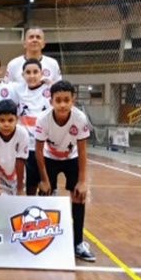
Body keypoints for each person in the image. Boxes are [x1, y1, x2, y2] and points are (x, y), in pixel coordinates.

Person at [34, 80, 96, 262]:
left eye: (66, 100)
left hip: (72, 158)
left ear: (73, 101)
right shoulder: (43, 119)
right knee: (45, 194)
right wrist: (44, 179)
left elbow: (83, 150)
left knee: (78, 195)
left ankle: (78, 243)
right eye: (58, 100)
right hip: (49, 157)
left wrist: (83, 181)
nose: (62, 104)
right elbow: (38, 151)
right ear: (51, 101)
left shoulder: (80, 118)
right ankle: (44, 239)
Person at [11, 58, 52, 195]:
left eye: (35, 72)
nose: (32, 75)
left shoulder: (50, 89)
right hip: (27, 147)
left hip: (46, 148)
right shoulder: (17, 90)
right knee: (30, 187)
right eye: (28, 72)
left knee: (48, 187)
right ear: (22, 75)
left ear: (42, 73)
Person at [0, 99, 29, 196]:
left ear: (17, 119)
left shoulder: (23, 134)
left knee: (18, 201)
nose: (6, 124)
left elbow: (20, 161)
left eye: (10, 120)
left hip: (17, 174)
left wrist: (20, 188)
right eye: (2, 120)